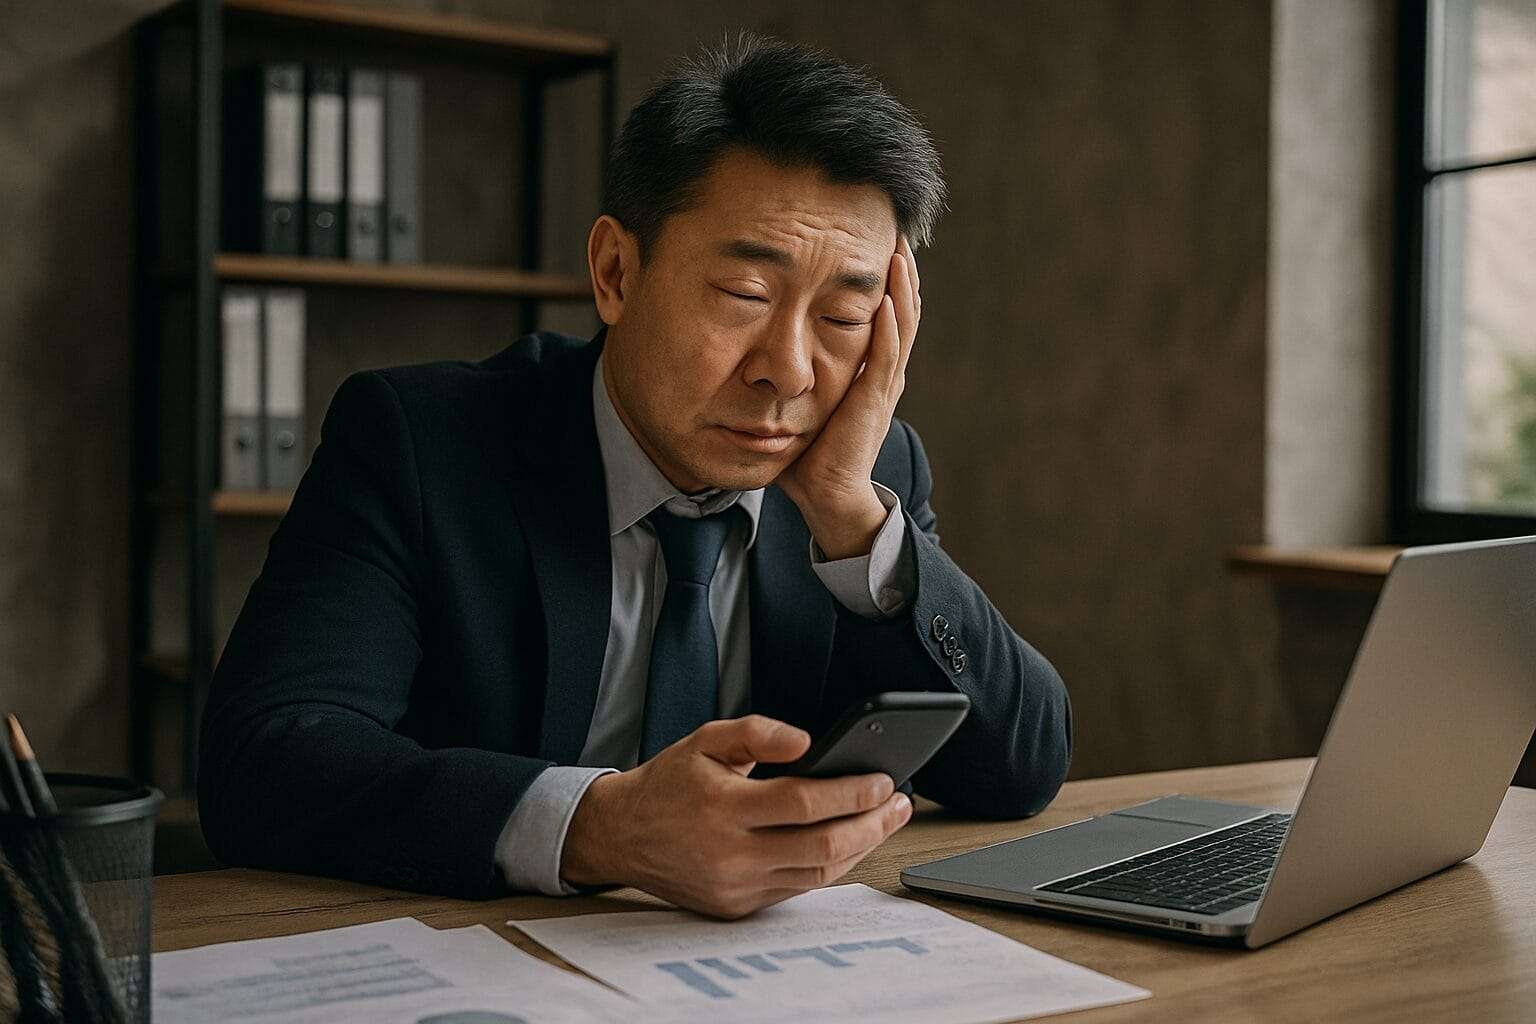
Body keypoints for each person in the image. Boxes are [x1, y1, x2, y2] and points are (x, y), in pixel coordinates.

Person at [198, 32, 1071, 919]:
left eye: (845, 317)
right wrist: (600, 828)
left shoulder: (867, 473)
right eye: (745, 297)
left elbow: (1022, 768)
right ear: (616, 272)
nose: (788, 371)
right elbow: (263, 761)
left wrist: (852, 520)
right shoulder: (421, 442)